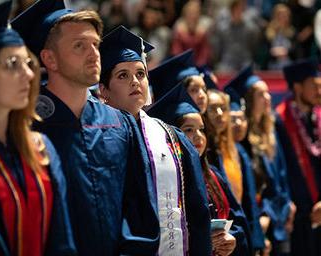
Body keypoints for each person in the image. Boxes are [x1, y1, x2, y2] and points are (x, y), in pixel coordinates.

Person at [12, 1, 159, 255]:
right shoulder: (27, 128)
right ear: (50, 59)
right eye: (79, 46)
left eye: (95, 44)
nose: (94, 54)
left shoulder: (120, 124)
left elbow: (139, 210)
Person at [0, 1, 76, 256]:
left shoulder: (41, 151)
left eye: (28, 63)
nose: (30, 75)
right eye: (13, 64)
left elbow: (63, 244)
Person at [99, 25, 211, 256]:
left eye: (140, 74)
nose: (135, 81)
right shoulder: (97, 139)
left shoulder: (172, 137)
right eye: (123, 75)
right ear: (103, 90)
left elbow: (197, 210)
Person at [147, 82, 252, 256]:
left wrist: (231, 238)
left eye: (202, 130)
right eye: (188, 129)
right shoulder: (162, 180)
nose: (198, 137)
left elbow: (238, 219)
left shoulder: (213, 174)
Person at [227, 66, 295, 256]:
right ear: (249, 100)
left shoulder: (270, 131)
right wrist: (264, 214)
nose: (267, 98)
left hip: (280, 213)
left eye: (267, 93)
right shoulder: (244, 140)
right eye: (260, 94)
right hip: (264, 218)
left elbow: (282, 173)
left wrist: (288, 202)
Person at [276, 59, 321, 256]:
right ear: (297, 87)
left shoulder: (319, 118)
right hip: (299, 216)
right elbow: (281, 168)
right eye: (314, 86)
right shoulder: (280, 120)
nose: (319, 92)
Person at [225, 81, 266, 254]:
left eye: (242, 118)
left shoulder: (241, 151)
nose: (240, 124)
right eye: (233, 119)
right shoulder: (218, 153)